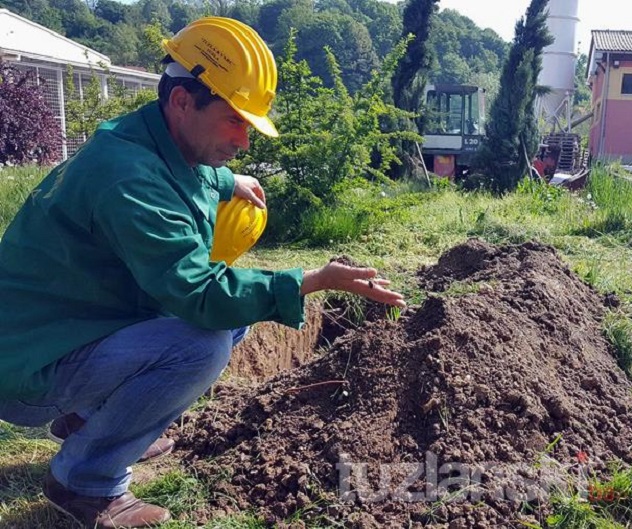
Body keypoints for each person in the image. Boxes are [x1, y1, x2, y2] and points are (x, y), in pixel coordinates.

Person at [0, 16, 406, 528]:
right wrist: (312, 280)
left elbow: (186, 171)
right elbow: (200, 293)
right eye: (235, 120)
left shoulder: (149, 143)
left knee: (234, 317)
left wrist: (227, 179)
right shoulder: (127, 180)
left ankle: (91, 422)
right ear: (182, 101)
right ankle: (84, 482)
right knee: (202, 341)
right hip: (25, 367)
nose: (244, 140)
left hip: (61, 334)